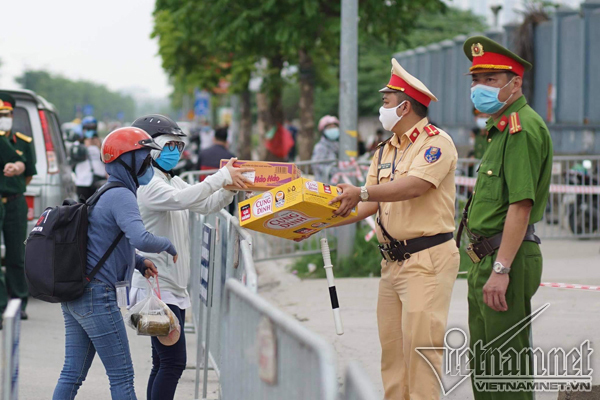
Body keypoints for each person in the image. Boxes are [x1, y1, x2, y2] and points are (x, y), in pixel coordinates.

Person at [326, 59, 459, 400]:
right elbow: (367, 204)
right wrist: (315, 221)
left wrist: (363, 191)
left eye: (386, 102)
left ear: (405, 106)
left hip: (426, 260)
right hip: (392, 264)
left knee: (421, 354)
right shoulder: (385, 150)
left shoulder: (435, 143)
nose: (381, 108)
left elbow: (413, 186)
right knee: (394, 356)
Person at [128, 115, 252, 400]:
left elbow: (203, 203)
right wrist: (221, 177)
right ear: (149, 148)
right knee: (173, 362)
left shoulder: (170, 180)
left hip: (172, 288)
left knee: (163, 362)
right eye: (168, 144)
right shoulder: (148, 186)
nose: (174, 151)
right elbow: (185, 199)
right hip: (156, 287)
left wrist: (228, 190)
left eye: (178, 145)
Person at [53, 127, 178, 400]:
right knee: (122, 377)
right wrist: (167, 245)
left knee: (71, 373)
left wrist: (138, 262)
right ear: (126, 161)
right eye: (144, 159)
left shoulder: (105, 192)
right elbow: (140, 237)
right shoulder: (121, 195)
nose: (149, 164)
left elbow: (104, 243)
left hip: (79, 294)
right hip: (98, 297)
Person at [459, 36, 552, 400]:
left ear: (516, 83)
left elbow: (520, 206)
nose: (478, 88)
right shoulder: (499, 130)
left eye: (490, 80)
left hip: (505, 260)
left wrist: (501, 270)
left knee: (505, 371)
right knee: (484, 366)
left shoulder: (521, 129)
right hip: (487, 257)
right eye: (475, 80)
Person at [0, 92, 37, 321]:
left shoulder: (23, 142)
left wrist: (13, 182)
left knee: (16, 255)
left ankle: (18, 303)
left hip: (14, 202)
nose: (4, 117)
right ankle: (2, 303)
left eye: (7, 114)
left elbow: (28, 173)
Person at [71, 116, 106, 200]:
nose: (90, 131)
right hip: (83, 181)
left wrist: (99, 146)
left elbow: (107, 159)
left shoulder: (102, 143)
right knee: (82, 207)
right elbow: (76, 157)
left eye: (93, 128)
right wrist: (85, 145)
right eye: (88, 128)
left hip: (99, 179)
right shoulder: (78, 144)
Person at [311, 115, 340, 182]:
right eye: (329, 127)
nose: (333, 129)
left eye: (334, 127)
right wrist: (334, 171)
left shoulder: (339, 145)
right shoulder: (320, 147)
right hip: (325, 184)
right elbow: (317, 165)